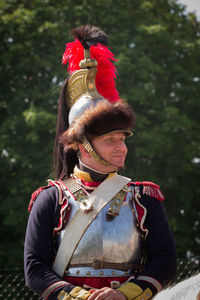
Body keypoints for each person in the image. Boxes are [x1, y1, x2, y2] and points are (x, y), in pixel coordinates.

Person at [24, 25, 177, 300]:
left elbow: (165, 260)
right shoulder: (50, 199)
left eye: (123, 139)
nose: (121, 148)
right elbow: (35, 268)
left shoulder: (145, 198)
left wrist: (124, 294)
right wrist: (81, 297)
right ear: (83, 145)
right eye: (111, 141)